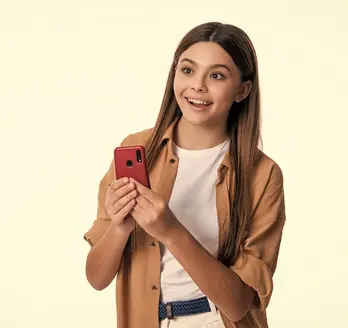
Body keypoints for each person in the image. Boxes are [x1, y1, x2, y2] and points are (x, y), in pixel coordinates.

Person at [83, 22, 286, 328]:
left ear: (243, 89)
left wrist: (170, 231)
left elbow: (237, 304)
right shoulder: (136, 149)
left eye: (216, 75)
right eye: (188, 70)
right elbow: (97, 278)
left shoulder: (262, 175)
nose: (198, 86)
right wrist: (120, 228)